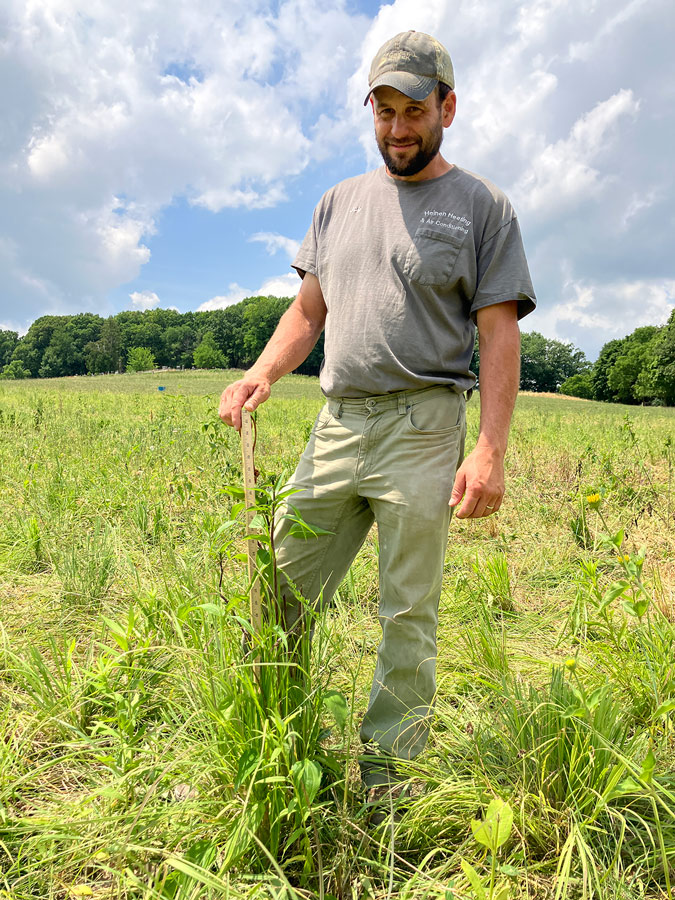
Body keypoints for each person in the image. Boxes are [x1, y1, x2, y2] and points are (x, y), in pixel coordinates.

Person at [220, 30, 536, 809]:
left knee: (406, 613)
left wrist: (489, 449)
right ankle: (270, 743)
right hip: (337, 422)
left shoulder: (481, 207)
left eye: (414, 110)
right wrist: (261, 373)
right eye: (384, 111)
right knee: (278, 589)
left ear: (447, 108)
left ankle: (388, 790)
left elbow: (499, 331)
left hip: (425, 428)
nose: (397, 127)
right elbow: (307, 309)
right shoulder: (338, 202)